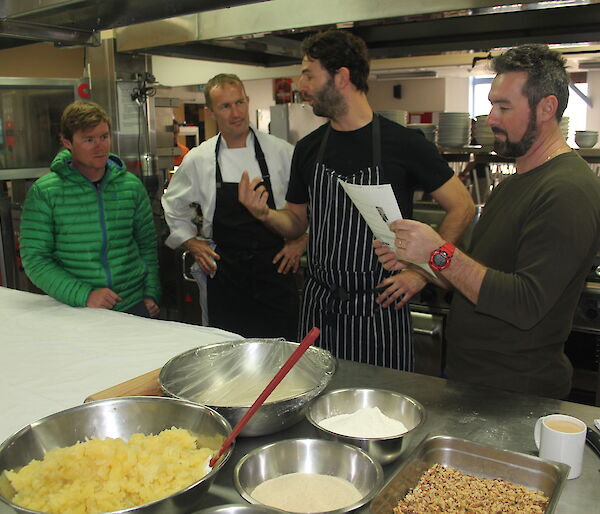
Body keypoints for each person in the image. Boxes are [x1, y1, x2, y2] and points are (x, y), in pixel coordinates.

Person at [239, 30, 475, 369]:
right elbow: (295, 223)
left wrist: (422, 272)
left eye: (309, 74)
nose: (300, 84)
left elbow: (462, 207)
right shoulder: (308, 148)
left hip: (380, 309)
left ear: (342, 77)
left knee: (380, 417)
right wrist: (264, 215)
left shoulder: (405, 144)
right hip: (319, 309)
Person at [375, 44, 600, 398]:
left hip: (515, 393)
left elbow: (525, 303)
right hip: (474, 379)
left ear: (547, 108)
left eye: (504, 107)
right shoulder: (513, 183)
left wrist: (439, 253)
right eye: (492, 104)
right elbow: (475, 278)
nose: (490, 118)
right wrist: (418, 257)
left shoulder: (567, 190)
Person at [161, 73, 305, 340]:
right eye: (225, 106)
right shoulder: (199, 159)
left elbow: (315, 206)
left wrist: (302, 240)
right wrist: (191, 242)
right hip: (225, 276)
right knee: (227, 354)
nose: (235, 112)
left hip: (275, 272)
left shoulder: (282, 152)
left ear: (247, 101)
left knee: (281, 356)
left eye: (239, 103)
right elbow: (172, 206)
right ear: (211, 111)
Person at [20, 101, 161, 317]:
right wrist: (85, 295)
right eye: (88, 139)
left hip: (133, 305)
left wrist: (151, 293)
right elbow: (35, 259)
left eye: (104, 137)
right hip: (77, 309)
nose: (100, 146)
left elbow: (147, 246)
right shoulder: (46, 192)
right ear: (67, 141)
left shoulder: (131, 187)